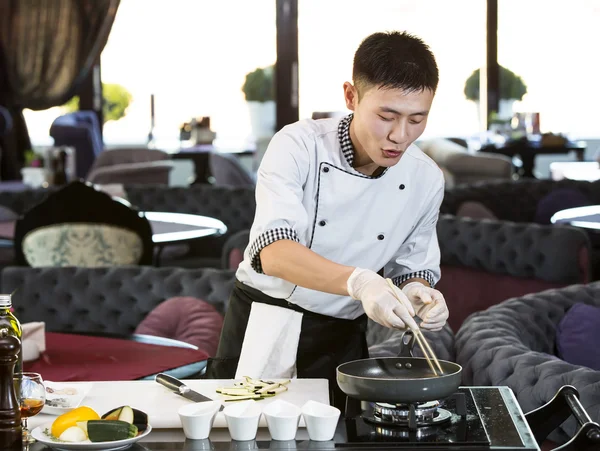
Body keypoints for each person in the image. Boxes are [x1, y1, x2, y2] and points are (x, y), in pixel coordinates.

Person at [206, 31, 449, 407]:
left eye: (417, 119)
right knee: (245, 433)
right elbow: (274, 252)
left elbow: (411, 266)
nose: (401, 136)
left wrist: (417, 292)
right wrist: (361, 281)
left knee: (336, 437)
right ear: (351, 96)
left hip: (342, 334)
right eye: (387, 116)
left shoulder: (426, 178)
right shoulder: (298, 145)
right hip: (267, 321)